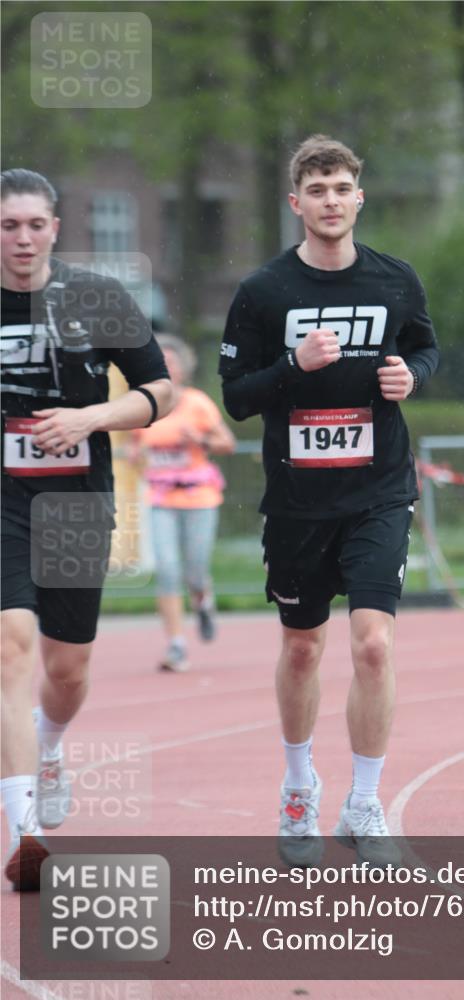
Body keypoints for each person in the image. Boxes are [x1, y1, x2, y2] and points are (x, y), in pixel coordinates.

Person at [218, 135, 440, 867]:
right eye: (316, 190)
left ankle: (364, 803)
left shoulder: (395, 280)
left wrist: (413, 376)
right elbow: (236, 398)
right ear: (296, 203)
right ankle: (298, 788)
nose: (331, 201)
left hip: (379, 489)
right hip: (298, 500)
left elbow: (425, 348)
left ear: (359, 197)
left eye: (342, 188)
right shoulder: (263, 292)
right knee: (302, 647)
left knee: (373, 644)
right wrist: (293, 364)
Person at [1, 169, 173, 889]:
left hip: (76, 501)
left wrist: (92, 417)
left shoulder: (95, 297)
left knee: (66, 668)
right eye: (8, 225)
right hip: (3, 502)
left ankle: (50, 748)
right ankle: (25, 832)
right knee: (10, 645)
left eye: (34, 224)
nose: (22, 238)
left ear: (56, 229)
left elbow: (161, 390)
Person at [130, 334, 236, 672]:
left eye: (171, 361)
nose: (166, 366)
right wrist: (137, 455)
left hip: (199, 496)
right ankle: (176, 644)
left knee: (195, 570)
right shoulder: (144, 404)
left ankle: (203, 601)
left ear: (183, 367)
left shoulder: (197, 403)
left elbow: (227, 444)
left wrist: (199, 439)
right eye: (160, 360)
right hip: (161, 497)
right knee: (167, 569)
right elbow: (136, 445)